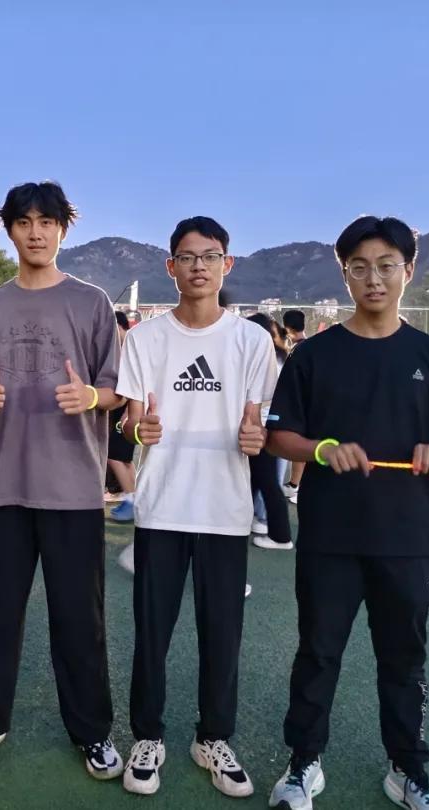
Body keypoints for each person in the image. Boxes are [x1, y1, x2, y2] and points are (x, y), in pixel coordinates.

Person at [265, 216, 429, 810]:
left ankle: (408, 771)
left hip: (406, 538)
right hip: (329, 536)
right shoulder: (314, 355)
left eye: (387, 266)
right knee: (318, 653)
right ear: (344, 274)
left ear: (407, 271)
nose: (374, 279)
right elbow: (280, 436)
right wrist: (322, 449)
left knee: (404, 659)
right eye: (359, 267)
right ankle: (303, 764)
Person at [0, 181, 124, 780]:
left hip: (74, 490)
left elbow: (115, 386)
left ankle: (93, 732)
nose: (35, 232)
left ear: (62, 230)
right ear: (9, 230)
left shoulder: (93, 303)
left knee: (80, 620)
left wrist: (91, 396)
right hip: (3, 487)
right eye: (24, 222)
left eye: (46, 222)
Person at [116, 216, 274, 799]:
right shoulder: (145, 339)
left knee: (222, 636)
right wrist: (140, 431)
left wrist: (258, 439)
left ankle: (213, 738)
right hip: (161, 509)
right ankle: (147, 738)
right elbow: (130, 423)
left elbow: (262, 424)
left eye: (210, 256)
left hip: (225, 512)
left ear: (226, 265)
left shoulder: (252, 341)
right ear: (171, 267)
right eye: (187, 257)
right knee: (151, 635)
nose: (199, 266)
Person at [246, 314, 294, 551]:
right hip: (271, 428)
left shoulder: (263, 360)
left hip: (261, 430)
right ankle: (253, 519)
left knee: (267, 482)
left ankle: (281, 536)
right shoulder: (281, 357)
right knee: (257, 479)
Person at [108, 310, 137, 526]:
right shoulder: (120, 348)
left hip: (128, 409)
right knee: (124, 457)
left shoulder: (130, 347)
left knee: (115, 455)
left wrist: (129, 413)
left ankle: (131, 501)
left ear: (119, 326)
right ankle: (134, 498)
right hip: (121, 409)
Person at [281, 310, 308, 504]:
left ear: (287, 328)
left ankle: (295, 485)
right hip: (307, 405)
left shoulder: (296, 351)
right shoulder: (311, 346)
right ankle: (294, 485)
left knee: (298, 447)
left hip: (301, 406)